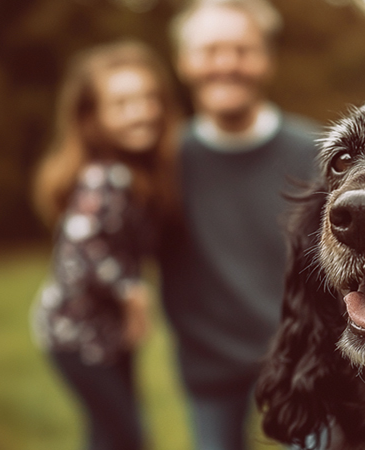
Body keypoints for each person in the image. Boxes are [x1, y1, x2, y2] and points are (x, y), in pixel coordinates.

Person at [161, 1, 320, 449]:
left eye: (242, 49)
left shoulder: (317, 154)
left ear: (266, 60)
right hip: (208, 364)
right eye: (210, 50)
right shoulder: (163, 164)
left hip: (306, 357)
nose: (227, 63)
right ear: (184, 61)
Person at [31, 40, 181, 450]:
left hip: (108, 337)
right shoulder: (105, 177)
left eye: (149, 98)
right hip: (73, 337)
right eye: (122, 103)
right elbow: (83, 249)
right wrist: (131, 291)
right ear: (92, 117)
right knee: (129, 437)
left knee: (107, 435)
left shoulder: (140, 174)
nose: (141, 112)